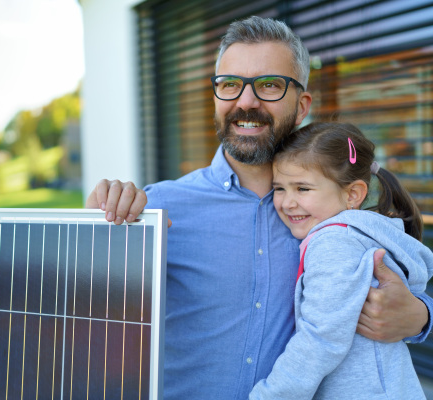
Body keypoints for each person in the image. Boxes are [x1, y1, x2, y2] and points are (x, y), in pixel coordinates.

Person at [86, 16, 432, 399]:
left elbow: (400, 284)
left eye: (269, 85)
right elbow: (91, 323)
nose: (245, 102)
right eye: (230, 85)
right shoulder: (156, 209)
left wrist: (421, 317)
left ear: (301, 106)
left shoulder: (335, 215)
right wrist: (99, 232)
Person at [248, 121, 433, 399]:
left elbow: (321, 339)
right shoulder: (362, 232)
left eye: (303, 188)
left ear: (352, 194)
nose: (287, 203)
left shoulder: (335, 243)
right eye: (280, 188)